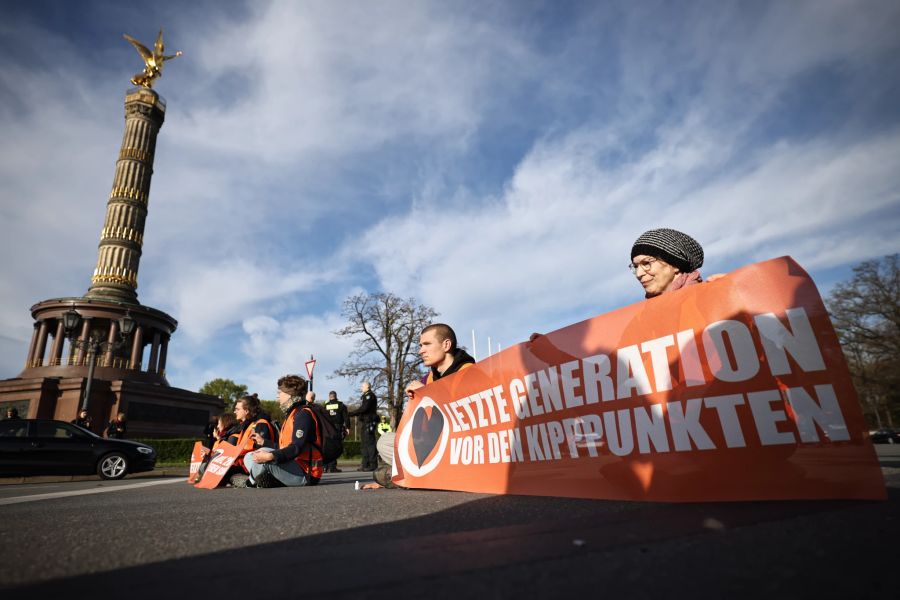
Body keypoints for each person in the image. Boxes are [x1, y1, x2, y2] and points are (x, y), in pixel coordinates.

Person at [365, 323, 475, 490]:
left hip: (460, 443)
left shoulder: (470, 372)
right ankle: (411, 475)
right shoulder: (427, 378)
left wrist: (427, 393)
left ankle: (412, 477)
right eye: (420, 345)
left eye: (427, 344)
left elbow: (468, 419)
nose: (420, 351)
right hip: (434, 444)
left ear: (446, 345)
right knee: (386, 441)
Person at [242, 374, 324, 488]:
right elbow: (284, 447)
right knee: (251, 455)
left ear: (290, 395)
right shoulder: (292, 414)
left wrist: (270, 456)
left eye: (279, 393)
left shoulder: (303, 414)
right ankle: (266, 478)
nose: (277, 397)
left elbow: (296, 448)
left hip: (306, 473)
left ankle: (251, 481)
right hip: (293, 465)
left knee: (264, 458)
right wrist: (264, 443)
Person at [629, 228, 706, 298]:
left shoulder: (708, 297)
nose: (638, 274)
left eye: (646, 263)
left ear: (675, 265)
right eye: (635, 266)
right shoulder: (648, 312)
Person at [229, 393, 276, 487]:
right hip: (245, 465)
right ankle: (251, 479)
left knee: (230, 473)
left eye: (237, 409)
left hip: (256, 464)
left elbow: (263, 450)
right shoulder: (247, 425)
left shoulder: (260, 424)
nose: (235, 411)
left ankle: (254, 480)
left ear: (246, 411)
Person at [348, 382, 379, 472]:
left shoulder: (369, 396)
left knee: (370, 444)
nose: (361, 388)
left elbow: (364, 408)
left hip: (369, 422)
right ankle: (365, 464)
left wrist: (352, 413)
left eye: (362, 386)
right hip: (365, 422)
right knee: (364, 444)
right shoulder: (366, 396)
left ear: (367, 387)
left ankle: (373, 464)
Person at [323, 390, 348, 473]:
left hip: (327, 428)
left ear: (329, 397)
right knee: (335, 446)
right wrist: (348, 427)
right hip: (337, 427)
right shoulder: (341, 405)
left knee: (327, 446)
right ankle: (333, 467)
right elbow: (346, 417)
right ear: (336, 396)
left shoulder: (325, 405)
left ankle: (325, 466)